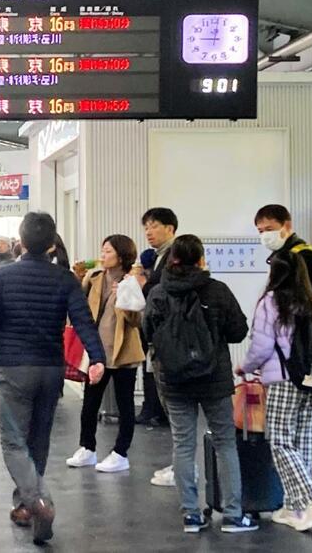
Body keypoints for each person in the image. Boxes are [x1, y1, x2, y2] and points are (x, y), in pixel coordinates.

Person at [0, 212, 106, 545]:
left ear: (21, 241)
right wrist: (98, 358)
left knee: (13, 441)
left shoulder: (3, 276)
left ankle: (38, 501)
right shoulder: (65, 279)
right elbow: (83, 321)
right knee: (39, 439)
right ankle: (23, 506)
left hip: (16, 366)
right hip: (51, 368)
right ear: (51, 244)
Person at [143, 235, 256, 534]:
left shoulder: (157, 293)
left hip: (174, 380)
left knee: (183, 444)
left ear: (172, 260)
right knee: (224, 442)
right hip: (214, 379)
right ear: (202, 259)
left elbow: (148, 333)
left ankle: (191, 515)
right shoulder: (217, 290)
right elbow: (238, 331)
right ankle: (233, 515)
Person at [236, 252, 312, 531]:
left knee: (281, 441)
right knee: (302, 442)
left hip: (282, 379)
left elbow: (262, 345)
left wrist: (244, 366)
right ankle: (294, 507)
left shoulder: (272, 301)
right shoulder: (310, 301)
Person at [255, 204, 312, 511]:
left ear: (286, 225)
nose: (265, 235)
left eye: (269, 228)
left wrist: (305, 332)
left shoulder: (301, 258)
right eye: (260, 231)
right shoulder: (293, 257)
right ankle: (306, 500)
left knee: (309, 431)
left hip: (304, 360)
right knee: (308, 432)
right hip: (306, 360)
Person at [67, 235, 144, 474]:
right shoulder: (94, 278)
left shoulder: (132, 281)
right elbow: (81, 307)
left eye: (108, 251)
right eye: (103, 250)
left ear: (122, 256)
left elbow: (136, 320)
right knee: (90, 402)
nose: (103, 255)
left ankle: (121, 452)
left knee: (125, 404)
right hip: (97, 352)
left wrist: (125, 295)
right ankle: (87, 447)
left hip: (123, 352)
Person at [137, 207, 177, 488]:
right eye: (146, 227)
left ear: (170, 228)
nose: (149, 232)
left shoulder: (174, 257)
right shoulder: (158, 257)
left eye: (154, 226)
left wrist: (144, 283)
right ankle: (179, 464)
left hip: (170, 340)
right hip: (160, 339)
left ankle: (182, 467)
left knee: (178, 410)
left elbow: (163, 293)